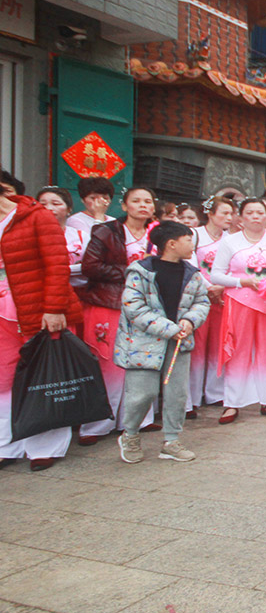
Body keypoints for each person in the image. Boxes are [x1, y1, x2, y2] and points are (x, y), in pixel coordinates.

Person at [0, 170, 83, 471]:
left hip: (38, 308)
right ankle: (6, 444)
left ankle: (45, 446)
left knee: (45, 375)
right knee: (3, 378)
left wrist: (54, 307)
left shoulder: (36, 217)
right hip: (2, 310)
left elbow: (57, 265)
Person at [115, 221, 210, 464]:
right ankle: (130, 435)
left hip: (179, 343)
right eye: (188, 239)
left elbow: (202, 302)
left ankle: (171, 440)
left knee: (177, 393)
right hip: (144, 344)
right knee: (141, 394)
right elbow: (133, 308)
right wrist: (171, 328)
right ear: (171, 244)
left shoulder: (192, 273)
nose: (192, 244)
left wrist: (190, 321)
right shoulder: (140, 271)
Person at [79, 186, 159, 443]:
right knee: (107, 363)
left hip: (146, 306)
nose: (142, 205)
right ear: (123, 206)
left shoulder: (158, 234)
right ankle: (95, 425)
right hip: (109, 302)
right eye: (136, 201)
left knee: (141, 361)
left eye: (147, 201)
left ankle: (137, 420)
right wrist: (131, 272)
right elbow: (90, 266)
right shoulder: (107, 231)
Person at [209, 197, 266, 423]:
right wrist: (243, 282)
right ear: (240, 218)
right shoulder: (230, 242)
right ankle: (232, 403)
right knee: (238, 350)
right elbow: (216, 274)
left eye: (260, 212)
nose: (255, 216)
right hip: (239, 300)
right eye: (250, 213)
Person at [188, 196, 233, 410]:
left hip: (221, 299)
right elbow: (190, 264)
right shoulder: (195, 235)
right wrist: (208, 286)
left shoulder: (231, 239)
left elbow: (235, 268)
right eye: (224, 213)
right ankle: (191, 398)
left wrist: (222, 287)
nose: (229, 217)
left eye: (231, 213)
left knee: (218, 345)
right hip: (198, 298)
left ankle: (215, 393)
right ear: (210, 213)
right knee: (196, 349)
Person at [36, 187, 87, 290]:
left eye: (56, 204)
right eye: (43, 204)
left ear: (69, 209)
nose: (49, 208)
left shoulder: (81, 236)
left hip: (79, 291)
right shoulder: (29, 236)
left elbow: (92, 265)